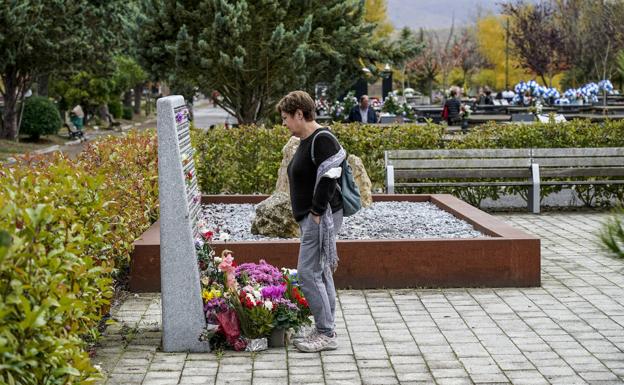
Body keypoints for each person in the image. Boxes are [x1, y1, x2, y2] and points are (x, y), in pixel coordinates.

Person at [277, 90, 345, 353]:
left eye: (286, 117)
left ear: (299, 114)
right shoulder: (306, 139)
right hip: (313, 217)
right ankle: (324, 327)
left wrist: (316, 212)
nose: (284, 123)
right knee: (320, 272)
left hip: (321, 217)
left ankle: (326, 333)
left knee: (307, 274)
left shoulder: (322, 138)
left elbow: (332, 174)